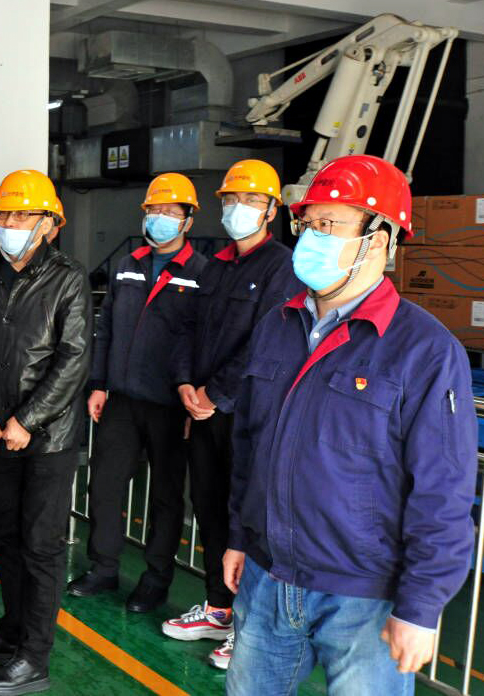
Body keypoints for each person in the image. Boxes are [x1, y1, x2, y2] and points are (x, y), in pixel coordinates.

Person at [224, 155, 477, 694]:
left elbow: (443, 491)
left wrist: (420, 607)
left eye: (329, 224)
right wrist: (239, 537)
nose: (311, 238)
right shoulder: (278, 324)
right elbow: (249, 444)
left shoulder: (425, 351)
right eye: (308, 224)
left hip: (363, 597)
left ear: (378, 240)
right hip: (267, 579)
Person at [0, 170, 92, 696]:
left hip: (46, 440)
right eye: (4, 214)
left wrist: (26, 421)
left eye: (21, 214)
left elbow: (73, 358)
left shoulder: (68, 278)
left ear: (48, 224)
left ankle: (34, 657)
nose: (9, 223)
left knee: (40, 545)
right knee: (6, 539)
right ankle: (11, 632)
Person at [163, 160, 301, 669]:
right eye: (230, 200)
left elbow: (265, 345)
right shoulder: (214, 266)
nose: (237, 208)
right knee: (209, 506)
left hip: (247, 415)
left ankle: (248, 628)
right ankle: (218, 609)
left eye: (250, 200)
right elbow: (186, 329)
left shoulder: (282, 267)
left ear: (271, 210)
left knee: (248, 518)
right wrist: (185, 385)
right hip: (203, 412)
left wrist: (214, 394)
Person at [67, 173, 206, 614]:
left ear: (187, 220)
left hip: (170, 405)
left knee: (165, 496)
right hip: (122, 399)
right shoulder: (127, 263)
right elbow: (106, 327)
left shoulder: (201, 272)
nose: (159, 218)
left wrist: (193, 400)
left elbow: (201, 340)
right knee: (105, 485)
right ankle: (103, 567)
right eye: (153, 210)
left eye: (170, 211)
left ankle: (155, 580)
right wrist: (98, 383)